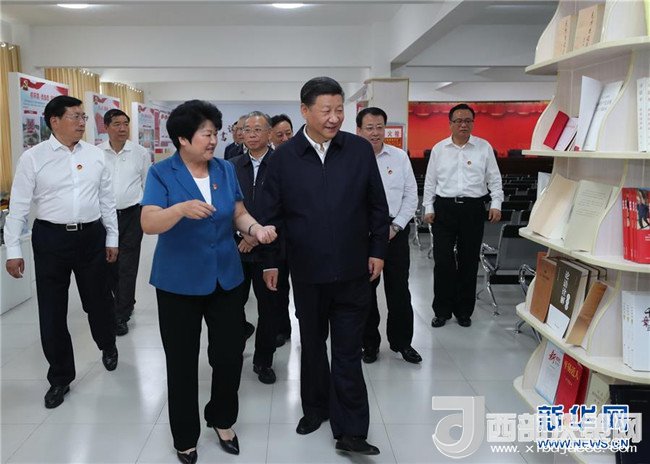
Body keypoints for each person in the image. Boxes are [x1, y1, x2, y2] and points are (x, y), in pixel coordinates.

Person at [140, 100, 276, 464]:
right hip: (178, 282)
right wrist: (179, 209)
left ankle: (222, 419)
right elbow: (149, 222)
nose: (213, 140)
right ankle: (185, 437)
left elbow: (238, 212)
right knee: (182, 362)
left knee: (229, 356)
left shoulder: (225, 169)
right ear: (183, 139)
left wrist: (255, 228)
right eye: (206, 134)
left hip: (225, 278)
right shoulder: (161, 173)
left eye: (215, 133)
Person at [261, 77, 388, 455]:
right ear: (305, 111)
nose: (334, 118)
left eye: (339, 110)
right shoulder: (283, 157)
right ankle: (315, 408)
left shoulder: (358, 150)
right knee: (313, 344)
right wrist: (271, 263)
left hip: (353, 270)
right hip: (307, 271)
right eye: (326, 110)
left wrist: (378, 249)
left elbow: (377, 205)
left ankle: (352, 430)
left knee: (348, 350)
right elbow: (272, 216)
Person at [4, 95, 119, 410]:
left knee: (98, 301)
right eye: (75, 116)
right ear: (54, 121)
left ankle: (107, 344)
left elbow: (106, 199)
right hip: (50, 238)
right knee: (52, 310)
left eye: (83, 117)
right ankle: (60, 377)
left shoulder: (95, 156)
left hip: (91, 236)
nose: (82, 122)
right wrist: (13, 249)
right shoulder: (33, 158)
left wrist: (112, 237)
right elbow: (19, 206)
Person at [422, 103, 503, 328]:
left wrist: (496, 203)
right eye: (458, 121)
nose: (463, 125)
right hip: (444, 209)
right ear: (450, 124)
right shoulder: (439, 149)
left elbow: (494, 178)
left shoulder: (484, 147)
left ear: (473, 123)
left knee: (469, 262)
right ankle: (442, 311)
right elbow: (430, 181)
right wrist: (428, 207)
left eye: (467, 121)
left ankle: (464, 311)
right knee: (443, 262)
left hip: (473, 209)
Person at [355, 107, 421, 365]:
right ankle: (369, 344)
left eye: (379, 127)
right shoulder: (351, 160)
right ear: (359, 130)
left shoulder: (399, 157)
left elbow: (410, 195)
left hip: (395, 232)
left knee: (399, 290)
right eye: (369, 128)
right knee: (365, 293)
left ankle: (402, 343)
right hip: (363, 235)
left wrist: (396, 226)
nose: (375, 132)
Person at [229, 111, 280, 384]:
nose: (251, 134)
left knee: (269, 309)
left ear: (269, 133)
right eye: (246, 129)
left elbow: (287, 207)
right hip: (238, 247)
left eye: (258, 129)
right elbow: (226, 204)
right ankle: (233, 351)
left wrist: (257, 236)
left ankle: (264, 361)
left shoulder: (282, 164)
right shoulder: (231, 165)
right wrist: (243, 232)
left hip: (271, 249)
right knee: (231, 305)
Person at [98, 109, 150, 336]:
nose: (122, 128)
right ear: (106, 127)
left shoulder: (140, 153)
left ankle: (122, 313)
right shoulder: (96, 153)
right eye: (117, 124)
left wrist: (146, 213)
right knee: (109, 263)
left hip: (132, 215)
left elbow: (147, 183)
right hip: (103, 217)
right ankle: (119, 301)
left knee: (128, 265)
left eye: (125, 124)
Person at [269, 113, 294, 347]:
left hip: (302, 236)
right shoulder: (269, 163)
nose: (285, 138)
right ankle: (281, 328)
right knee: (279, 286)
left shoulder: (304, 158)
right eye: (280, 135)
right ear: (271, 136)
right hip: (277, 236)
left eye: (288, 133)